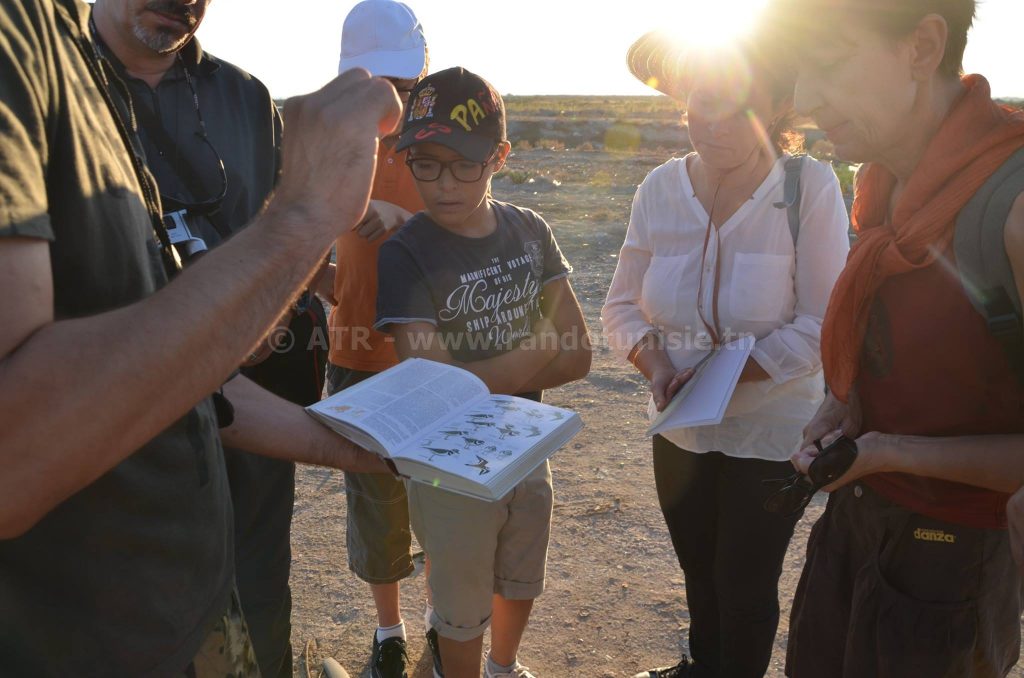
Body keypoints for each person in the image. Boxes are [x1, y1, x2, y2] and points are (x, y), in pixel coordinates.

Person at [0, 0, 401, 674]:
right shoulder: (21, 37)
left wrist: (370, 448)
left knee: (266, 583)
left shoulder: (226, 98)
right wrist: (304, 215)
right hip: (83, 633)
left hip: (194, 595)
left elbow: (184, 372)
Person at [763, 0, 1024, 675]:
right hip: (855, 526)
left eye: (826, 65)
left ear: (921, 46)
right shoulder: (881, 188)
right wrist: (850, 409)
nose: (804, 98)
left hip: (956, 567)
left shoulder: (1011, 210)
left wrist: (890, 452)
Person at [602, 27, 850, 678]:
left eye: (733, 106)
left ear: (772, 106)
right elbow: (621, 306)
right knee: (699, 573)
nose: (711, 126)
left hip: (771, 434)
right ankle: (701, 667)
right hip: (680, 430)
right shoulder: (659, 189)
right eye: (696, 106)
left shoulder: (808, 188)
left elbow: (822, 324)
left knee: (743, 584)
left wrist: (727, 377)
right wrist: (656, 367)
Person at [89, 1, 326, 674]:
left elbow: (274, 242)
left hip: (249, 405)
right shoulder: (50, 85)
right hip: (113, 433)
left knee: (258, 587)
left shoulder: (246, 97)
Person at [374, 67, 592, 678]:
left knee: (520, 573)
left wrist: (486, 369)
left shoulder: (530, 230)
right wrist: (531, 354)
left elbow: (578, 355)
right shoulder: (406, 252)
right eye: (426, 164)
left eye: (463, 165)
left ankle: (503, 667)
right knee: (461, 597)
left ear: (499, 156)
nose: (443, 185)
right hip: (449, 466)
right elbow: (433, 386)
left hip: (526, 446)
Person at [314, 2, 429, 676]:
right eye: (372, 84)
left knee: (446, 504)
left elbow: (472, 240)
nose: (389, 102)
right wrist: (326, 284)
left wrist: (399, 224)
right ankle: (391, 634)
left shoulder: (442, 144)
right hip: (356, 357)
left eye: (403, 88)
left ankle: (451, 623)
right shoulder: (333, 144)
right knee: (376, 510)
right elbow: (312, 247)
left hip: (436, 361)